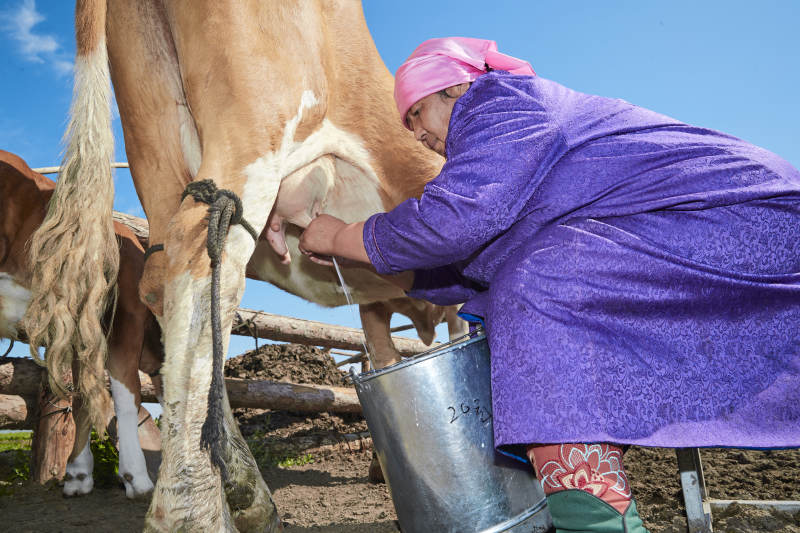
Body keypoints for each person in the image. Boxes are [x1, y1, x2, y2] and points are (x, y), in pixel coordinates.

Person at [298, 37, 800, 533]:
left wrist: (345, 235)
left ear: (452, 89)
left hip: (741, 219)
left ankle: (594, 523)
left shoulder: (499, 103)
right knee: (539, 278)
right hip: (731, 228)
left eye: (417, 113)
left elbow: (458, 219)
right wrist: (384, 260)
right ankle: (597, 515)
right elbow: (475, 256)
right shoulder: (513, 138)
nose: (415, 135)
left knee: (542, 286)